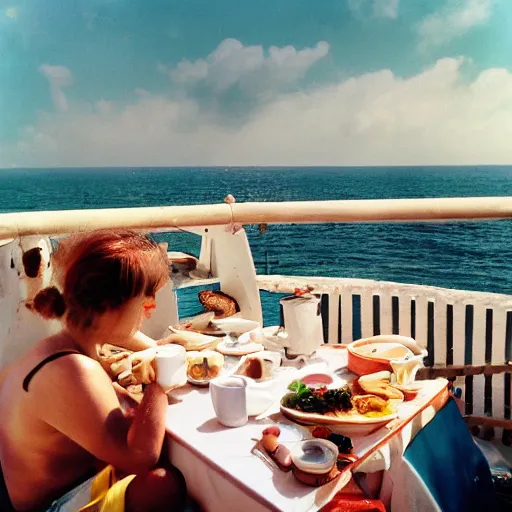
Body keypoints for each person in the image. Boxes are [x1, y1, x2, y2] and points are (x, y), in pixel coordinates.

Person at [0, 229, 187, 512]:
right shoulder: (75, 370)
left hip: (44, 485)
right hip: (47, 505)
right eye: (146, 298)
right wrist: (159, 384)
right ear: (114, 307)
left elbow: (120, 331)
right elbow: (140, 457)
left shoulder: (63, 346)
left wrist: (158, 349)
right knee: (162, 484)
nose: (151, 308)